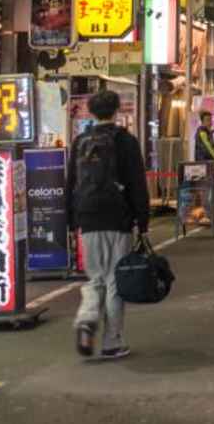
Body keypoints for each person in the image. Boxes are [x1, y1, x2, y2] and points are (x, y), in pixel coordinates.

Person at [66, 89, 150, 360]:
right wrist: (143, 220)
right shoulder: (125, 141)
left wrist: (71, 220)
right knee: (116, 280)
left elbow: (71, 183)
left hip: (88, 218)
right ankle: (112, 341)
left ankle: (86, 319)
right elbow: (138, 183)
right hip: (118, 218)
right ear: (117, 111)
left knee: (96, 278)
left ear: (91, 111)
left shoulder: (80, 141)